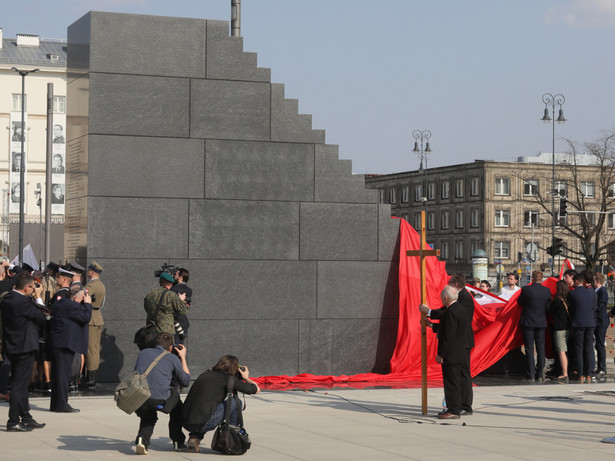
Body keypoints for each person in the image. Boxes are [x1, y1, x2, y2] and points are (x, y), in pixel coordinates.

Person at [182, 355, 260, 453]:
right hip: (201, 423)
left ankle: (195, 438)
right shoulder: (228, 379)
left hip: (186, 422)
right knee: (236, 403)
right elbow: (256, 389)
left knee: (207, 409)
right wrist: (246, 378)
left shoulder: (205, 374)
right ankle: (231, 438)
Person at [421, 273, 474, 416]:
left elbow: (450, 329)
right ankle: (459, 406)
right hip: (457, 343)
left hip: (458, 345)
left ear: (455, 285)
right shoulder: (457, 305)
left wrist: (429, 312)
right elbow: (449, 324)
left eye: (450, 282)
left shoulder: (463, 300)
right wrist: (433, 325)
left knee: (457, 377)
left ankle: (459, 407)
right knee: (458, 377)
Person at [0, 273, 46, 431]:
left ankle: (26, 417)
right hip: (24, 348)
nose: (34, 289)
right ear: (26, 288)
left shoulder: (7, 298)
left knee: (21, 384)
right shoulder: (23, 302)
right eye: (32, 286)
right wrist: (38, 297)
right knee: (19, 386)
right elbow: (42, 316)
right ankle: (13, 421)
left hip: (12, 346)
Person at [134, 332, 190, 455]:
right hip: (159, 401)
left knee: (149, 416)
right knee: (176, 403)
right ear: (171, 347)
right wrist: (182, 357)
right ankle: (178, 442)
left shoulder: (143, 353)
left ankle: (142, 441)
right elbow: (185, 381)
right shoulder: (172, 357)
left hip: (139, 399)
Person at [47, 285, 92, 413]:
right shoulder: (72, 306)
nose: (84, 299)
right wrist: (88, 305)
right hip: (65, 344)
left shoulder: (61, 302)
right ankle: (61, 405)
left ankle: (56, 404)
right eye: (83, 297)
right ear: (76, 298)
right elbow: (85, 318)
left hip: (58, 343)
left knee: (58, 374)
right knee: (62, 375)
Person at [517, 270, 552, 382]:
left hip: (528, 321)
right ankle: (540, 373)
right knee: (540, 348)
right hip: (541, 322)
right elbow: (548, 307)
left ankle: (531, 374)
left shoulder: (526, 289)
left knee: (529, 348)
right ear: (541, 279)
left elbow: (520, 302)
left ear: (532, 278)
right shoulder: (547, 291)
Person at [567, 272, 596, 382]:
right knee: (588, 348)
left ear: (576, 281)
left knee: (579, 349)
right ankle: (588, 373)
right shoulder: (591, 292)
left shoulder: (572, 294)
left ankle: (580, 373)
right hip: (590, 323)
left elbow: (571, 308)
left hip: (578, 323)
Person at [83, 261, 106, 390]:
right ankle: (91, 378)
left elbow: (83, 296)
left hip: (91, 317)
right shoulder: (101, 285)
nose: (87, 272)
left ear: (92, 272)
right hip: (97, 317)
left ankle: (90, 380)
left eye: (89, 270)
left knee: (91, 349)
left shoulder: (92, 285)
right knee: (95, 349)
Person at [547, 280, 572, 382]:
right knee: (567, 351)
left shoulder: (556, 301)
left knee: (561, 352)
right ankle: (568, 370)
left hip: (560, 329)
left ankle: (564, 373)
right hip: (568, 327)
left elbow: (549, 311)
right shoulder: (567, 300)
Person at [593, 273, 609, 377]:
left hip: (601, 321)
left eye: (594, 281)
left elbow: (600, 306)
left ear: (597, 282)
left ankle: (602, 368)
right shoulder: (596, 291)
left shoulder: (602, 291)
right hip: (597, 321)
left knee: (600, 344)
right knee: (597, 344)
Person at [171, 268, 192, 344]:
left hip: (175, 324)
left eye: (175, 274)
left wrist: (169, 281)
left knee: (174, 348)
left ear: (180, 277)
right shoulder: (189, 290)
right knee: (180, 348)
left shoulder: (173, 289)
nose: (173, 276)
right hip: (183, 323)